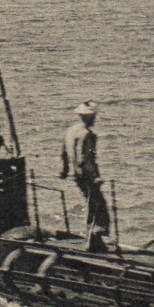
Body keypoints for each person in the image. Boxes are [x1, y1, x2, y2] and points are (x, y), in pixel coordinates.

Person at [59, 100, 110, 251]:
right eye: (94, 116)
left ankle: (92, 239)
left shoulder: (70, 131)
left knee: (91, 204)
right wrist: (95, 177)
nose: (95, 119)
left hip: (76, 175)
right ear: (89, 117)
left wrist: (64, 170)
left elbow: (63, 153)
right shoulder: (88, 134)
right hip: (86, 175)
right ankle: (93, 241)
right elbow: (84, 159)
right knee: (98, 207)